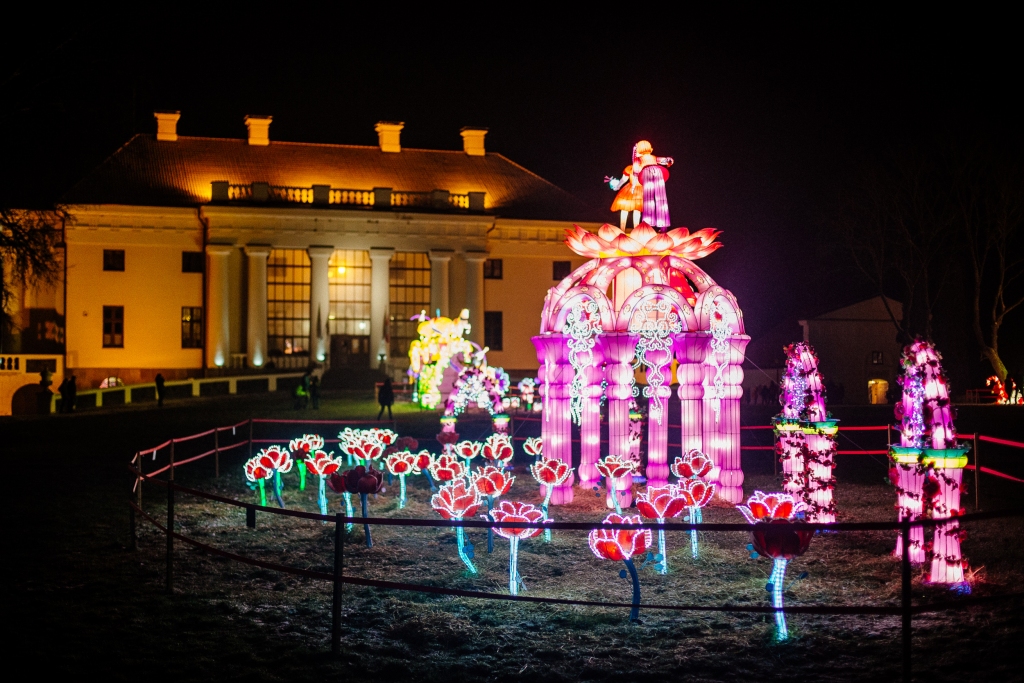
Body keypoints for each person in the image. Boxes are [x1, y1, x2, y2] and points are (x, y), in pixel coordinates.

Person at [632, 140, 674, 231]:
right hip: (658, 171)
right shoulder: (653, 157)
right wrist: (669, 160)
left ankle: (648, 225)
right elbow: (665, 160)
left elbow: (635, 171)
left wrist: (633, 185)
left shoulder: (638, 159)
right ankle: (663, 225)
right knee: (661, 198)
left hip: (646, 172)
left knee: (648, 199)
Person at [604, 164, 643, 230]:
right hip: (629, 190)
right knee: (624, 208)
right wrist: (618, 186)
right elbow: (623, 179)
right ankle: (622, 229)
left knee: (637, 210)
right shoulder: (630, 168)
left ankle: (636, 230)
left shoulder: (645, 169)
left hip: (639, 192)